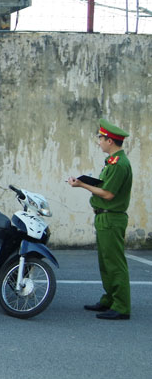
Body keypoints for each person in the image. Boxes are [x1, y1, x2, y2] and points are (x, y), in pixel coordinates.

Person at [68, 119, 133, 320]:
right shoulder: (113, 162)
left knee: (115, 263)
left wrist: (82, 185)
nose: (99, 142)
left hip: (112, 218)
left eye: (101, 139)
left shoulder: (119, 164)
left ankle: (121, 306)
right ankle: (110, 300)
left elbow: (108, 194)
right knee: (106, 263)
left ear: (110, 141)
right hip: (105, 217)